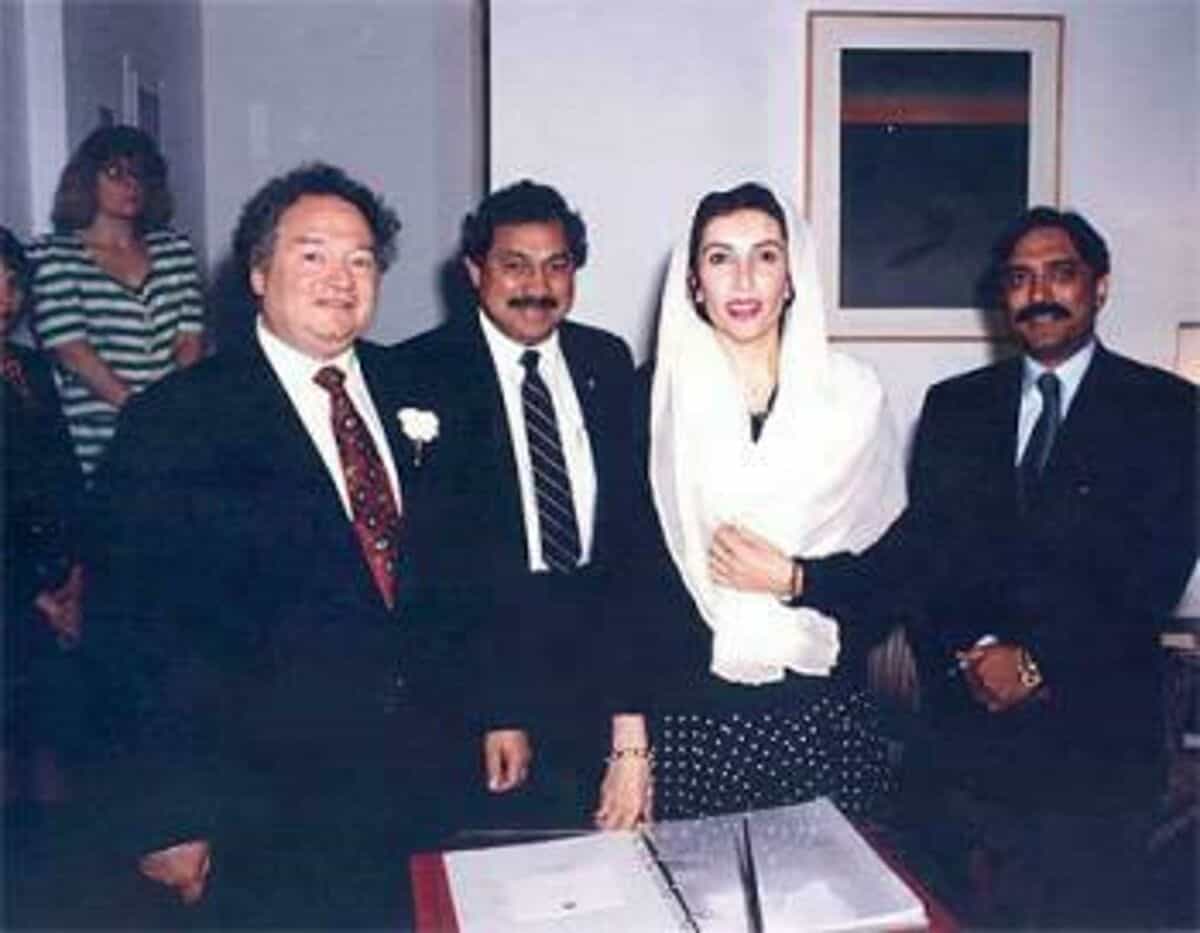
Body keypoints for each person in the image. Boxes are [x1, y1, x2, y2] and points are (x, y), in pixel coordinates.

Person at [794, 206, 1198, 927]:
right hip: (969, 753)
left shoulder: (1168, 409)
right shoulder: (956, 408)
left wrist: (1036, 664)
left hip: (1096, 754)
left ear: (1100, 285)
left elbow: (1151, 576)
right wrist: (800, 579)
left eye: (1060, 273)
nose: (1039, 293)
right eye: (1019, 278)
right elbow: (922, 557)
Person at [87, 163, 449, 928]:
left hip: (418, 789)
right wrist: (165, 815)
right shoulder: (176, 420)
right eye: (312, 254)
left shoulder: (416, 387)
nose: (340, 278)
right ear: (257, 272)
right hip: (264, 808)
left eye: (360, 260)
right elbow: (132, 633)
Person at [596, 183, 906, 827]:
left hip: (823, 713)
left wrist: (796, 578)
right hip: (692, 720)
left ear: (792, 278)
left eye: (765, 256)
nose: (743, 280)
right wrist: (629, 746)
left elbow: (893, 581)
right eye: (720, 258)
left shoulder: (854, 397)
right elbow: (623, 582)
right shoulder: (647, 401)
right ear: (693, 282)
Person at [390, 180, 646, 830]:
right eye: (515, 265)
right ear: (475, 271)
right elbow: (432, 569)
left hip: (598, 659)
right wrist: (495, 708)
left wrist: (629, 720)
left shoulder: (607, 360)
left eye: (557, 265)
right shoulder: (418, 372)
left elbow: (631, 541)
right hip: (483, 666)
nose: (538, 285)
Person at [29, 125, 205, 480]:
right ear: (86, 180)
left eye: (140, 174)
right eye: (115, 173)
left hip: (173, 427)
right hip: (98, 437)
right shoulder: (53, 256)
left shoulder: (175, 251)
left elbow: (189, 341)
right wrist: (139, 413)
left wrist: (178, 410)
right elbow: (73, 352)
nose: (131, 184)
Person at [1, 227, 86, 803]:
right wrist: (36, 596)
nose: (6, 299)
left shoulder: (30, 367)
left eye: (13, 284)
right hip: (12, 588)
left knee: (55, 736)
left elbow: (64, 470)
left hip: (56, 576)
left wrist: (76, 574)